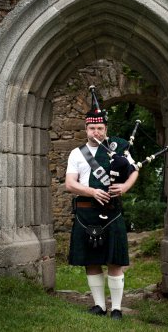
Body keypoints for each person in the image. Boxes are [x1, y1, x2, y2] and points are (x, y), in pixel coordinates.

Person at [65, 93, 139, 320]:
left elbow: (134, 169)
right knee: (91, 261)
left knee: (115, 261)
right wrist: (91, 191)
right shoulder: (77, 154)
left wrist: (125, 187)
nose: (95, 133)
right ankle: (99, 306)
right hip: (86, 211)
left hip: (112, 211)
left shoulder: (119, 147)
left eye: (99, 129)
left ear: (105, 129)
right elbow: (70, 184)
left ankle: (116, 308)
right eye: (91, 129)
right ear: (86, 129)